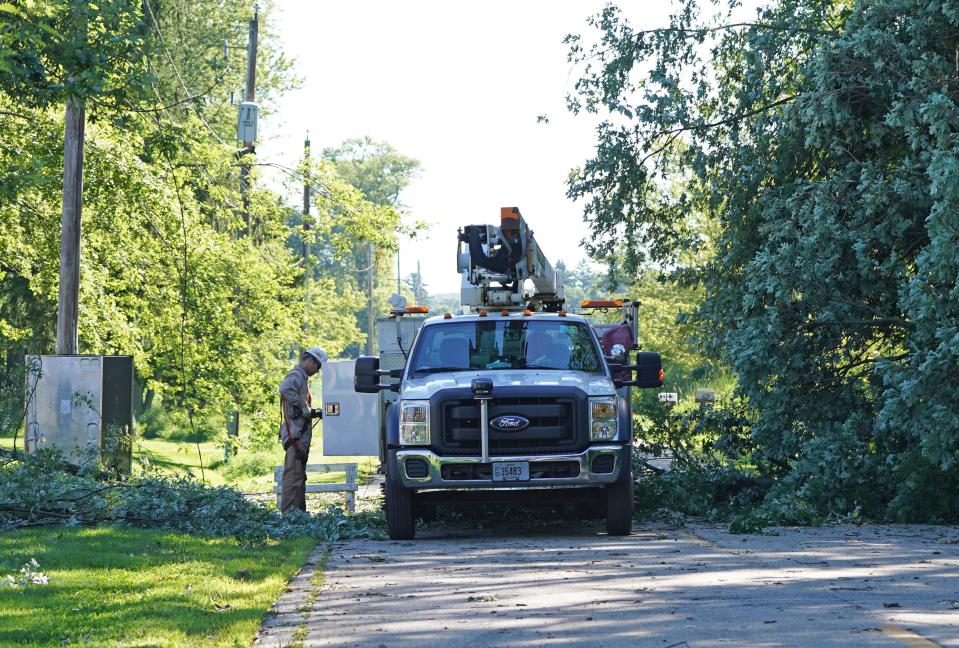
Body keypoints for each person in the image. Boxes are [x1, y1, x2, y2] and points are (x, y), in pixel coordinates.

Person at [278, 346, 327, 513]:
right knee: (292, 479)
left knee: (298, 478)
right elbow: (284, 389)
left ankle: (299, 515)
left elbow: (301, 410)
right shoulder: (296, 375)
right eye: (318, 367)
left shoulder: (302, 378)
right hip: (295, 438)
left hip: (299, 437)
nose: (317, 371)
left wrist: (313, 411)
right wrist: (302, 405)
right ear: (311, 361)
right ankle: (289, 517)